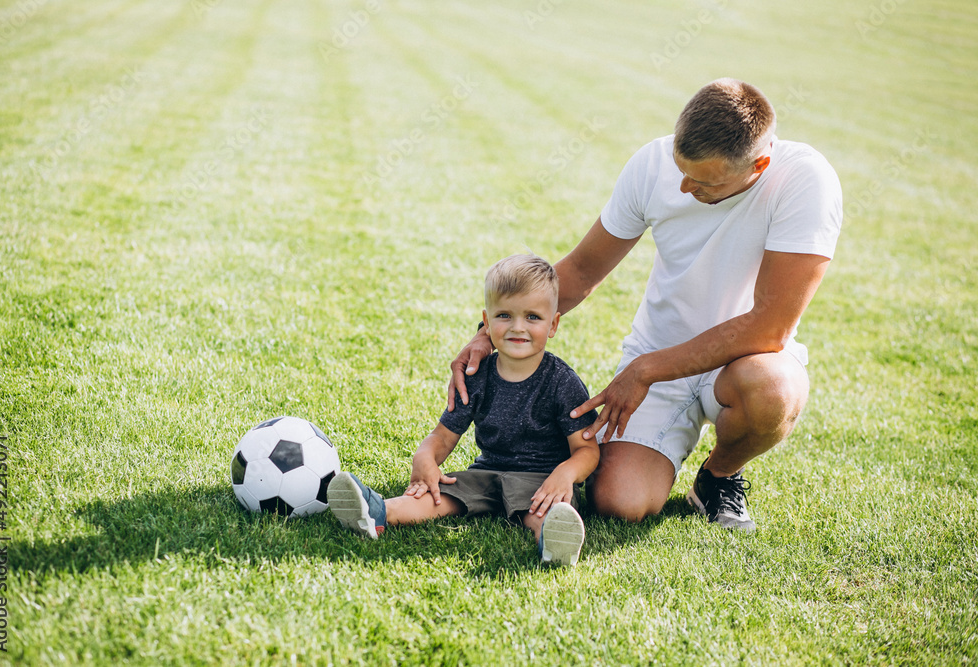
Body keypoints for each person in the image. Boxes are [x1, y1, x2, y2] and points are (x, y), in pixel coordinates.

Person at [448, 78, 843, 531]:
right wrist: (484, 336)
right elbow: (579, 272)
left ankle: (718, 478)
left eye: (704, 181)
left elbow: (769, 327)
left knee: (774, 390)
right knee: (620, 502)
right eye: (681, 168)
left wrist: (644, 370)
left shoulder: (807, 181)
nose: (684, 185)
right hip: (658, 350)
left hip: (744, 360)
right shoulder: (653, 164)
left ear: (760, 165)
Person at [329, 254, 600, 565]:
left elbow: (587, 450)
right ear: (486, 322)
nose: (517, 328)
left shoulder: (562, 382)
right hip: (485, 473)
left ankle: (554, 543)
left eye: (532, 318)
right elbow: (443, 436)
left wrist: (564, 475)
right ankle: (377, 512)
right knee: (438, 494)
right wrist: (425, 458)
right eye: (504, 316)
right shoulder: (477, 375)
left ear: (553, 324)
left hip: (543, 481)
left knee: (543, 511)